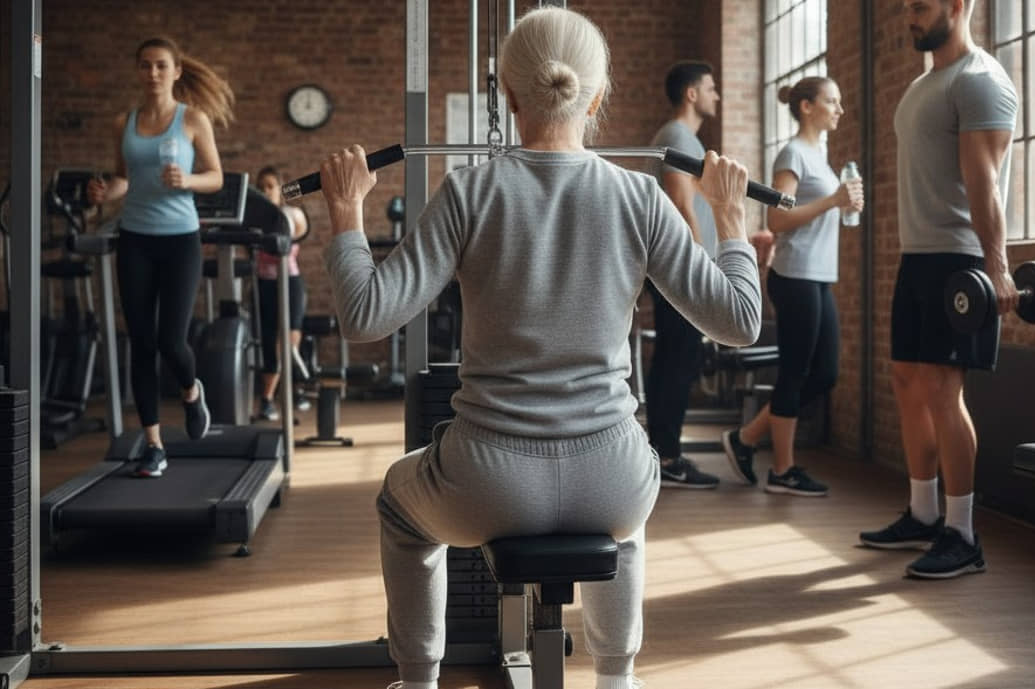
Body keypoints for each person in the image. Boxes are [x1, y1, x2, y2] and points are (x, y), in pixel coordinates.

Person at [318, 8, 761, 689]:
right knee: (629, 509)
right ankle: (617, 677)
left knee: (397, 504)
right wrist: (730, 218)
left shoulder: (469, 188)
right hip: (609, 473)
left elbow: (364, 315)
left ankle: (418, 679)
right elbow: (739, 320)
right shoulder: (641, 196)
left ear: (508, 94)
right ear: (598, 95)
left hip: (486, 480)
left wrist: (346, 212)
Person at [859, 0, 1018, 579]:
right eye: (905, 8)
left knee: (944, 390)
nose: (909, 17)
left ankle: (962, 532)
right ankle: (924, 514)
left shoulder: (980, 82)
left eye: (920, 7)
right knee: (907, 381)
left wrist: (996, 266)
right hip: (917, 257)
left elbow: (986, 182)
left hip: (960, 259)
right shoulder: (924, 84)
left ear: (957, 6)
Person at [87, 37, 233, 477]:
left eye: (160, 66)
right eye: (145, 66)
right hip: (134, 239)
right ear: (139, 71)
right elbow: (123, 179)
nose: (152, 73)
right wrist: (104, 193)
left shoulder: (193, 120)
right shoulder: (124, 123)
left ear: (175, 71)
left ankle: (191, 392)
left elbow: (216, 177)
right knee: (141, 343)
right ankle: (153, 444)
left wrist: (187, 180)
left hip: (180, 241)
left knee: (172, 341)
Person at [721, 76, 863, 497]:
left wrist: (843, 203)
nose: (839, 110)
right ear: (806, 107)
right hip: (794, 275)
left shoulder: (821, 156)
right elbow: (777, 220)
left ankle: (746, 438)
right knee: (796, 372)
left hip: (819, 277)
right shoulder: (793, 153)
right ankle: (782, 470)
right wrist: (833, 201)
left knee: (825, 373)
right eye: (831, 102)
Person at [644, 61, 733, 489]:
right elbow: (680, 204)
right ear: (692, 94)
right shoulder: (678, 137)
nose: (718, 95)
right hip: (683, 272)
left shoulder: (682, 139)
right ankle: (668, 457)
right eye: (712, 88)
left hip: (680, 270)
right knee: (677, 363)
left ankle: (664, 454)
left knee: (674, 361)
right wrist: (703, 269)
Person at [252, 166, 310, 421]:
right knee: (267, 340)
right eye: (261, 187)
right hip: (263, 284)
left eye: (270, 186)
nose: (266, 191)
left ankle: (295, 390)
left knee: (288, 341)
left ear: (280, 189)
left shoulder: (290, 214)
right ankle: (266, 400)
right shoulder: (252, 218)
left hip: (290, 282)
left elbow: (297, 228)